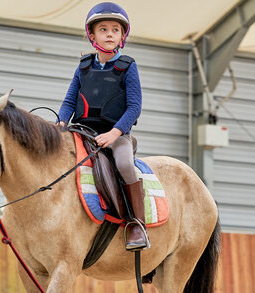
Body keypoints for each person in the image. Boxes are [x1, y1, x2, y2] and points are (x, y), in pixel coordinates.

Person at [57, 2, 148, 250]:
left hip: (116, 134)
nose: (109, 34)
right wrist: (61, 123)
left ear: (122, 35)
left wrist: (114, 133)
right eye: (103, 29)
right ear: (92, 35)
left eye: (115, 30)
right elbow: (68, 102)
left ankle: (136, 224)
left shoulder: (128, 67)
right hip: (82, 130)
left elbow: (134, 108)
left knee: (125, 164)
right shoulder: (83, 66)